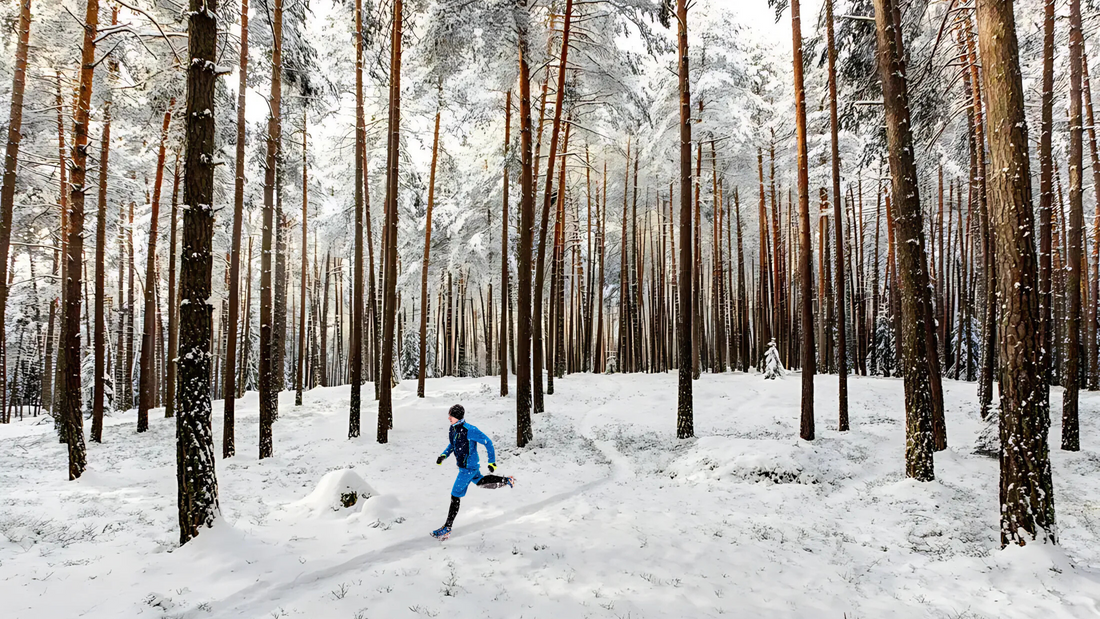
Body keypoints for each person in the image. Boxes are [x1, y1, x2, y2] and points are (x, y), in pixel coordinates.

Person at [431, 404, 514, 540]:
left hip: (468, 468)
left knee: (455, 495)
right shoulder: (453, 429)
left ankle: (447, 528)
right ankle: (506, 480)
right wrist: (444, 455)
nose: (448, 418)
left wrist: (491, 461)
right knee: (480, 481)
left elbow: (487, 442)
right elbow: (453, 444)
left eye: (451, 416)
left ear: (457, 417)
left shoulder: (470, 430)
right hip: (468, 467)